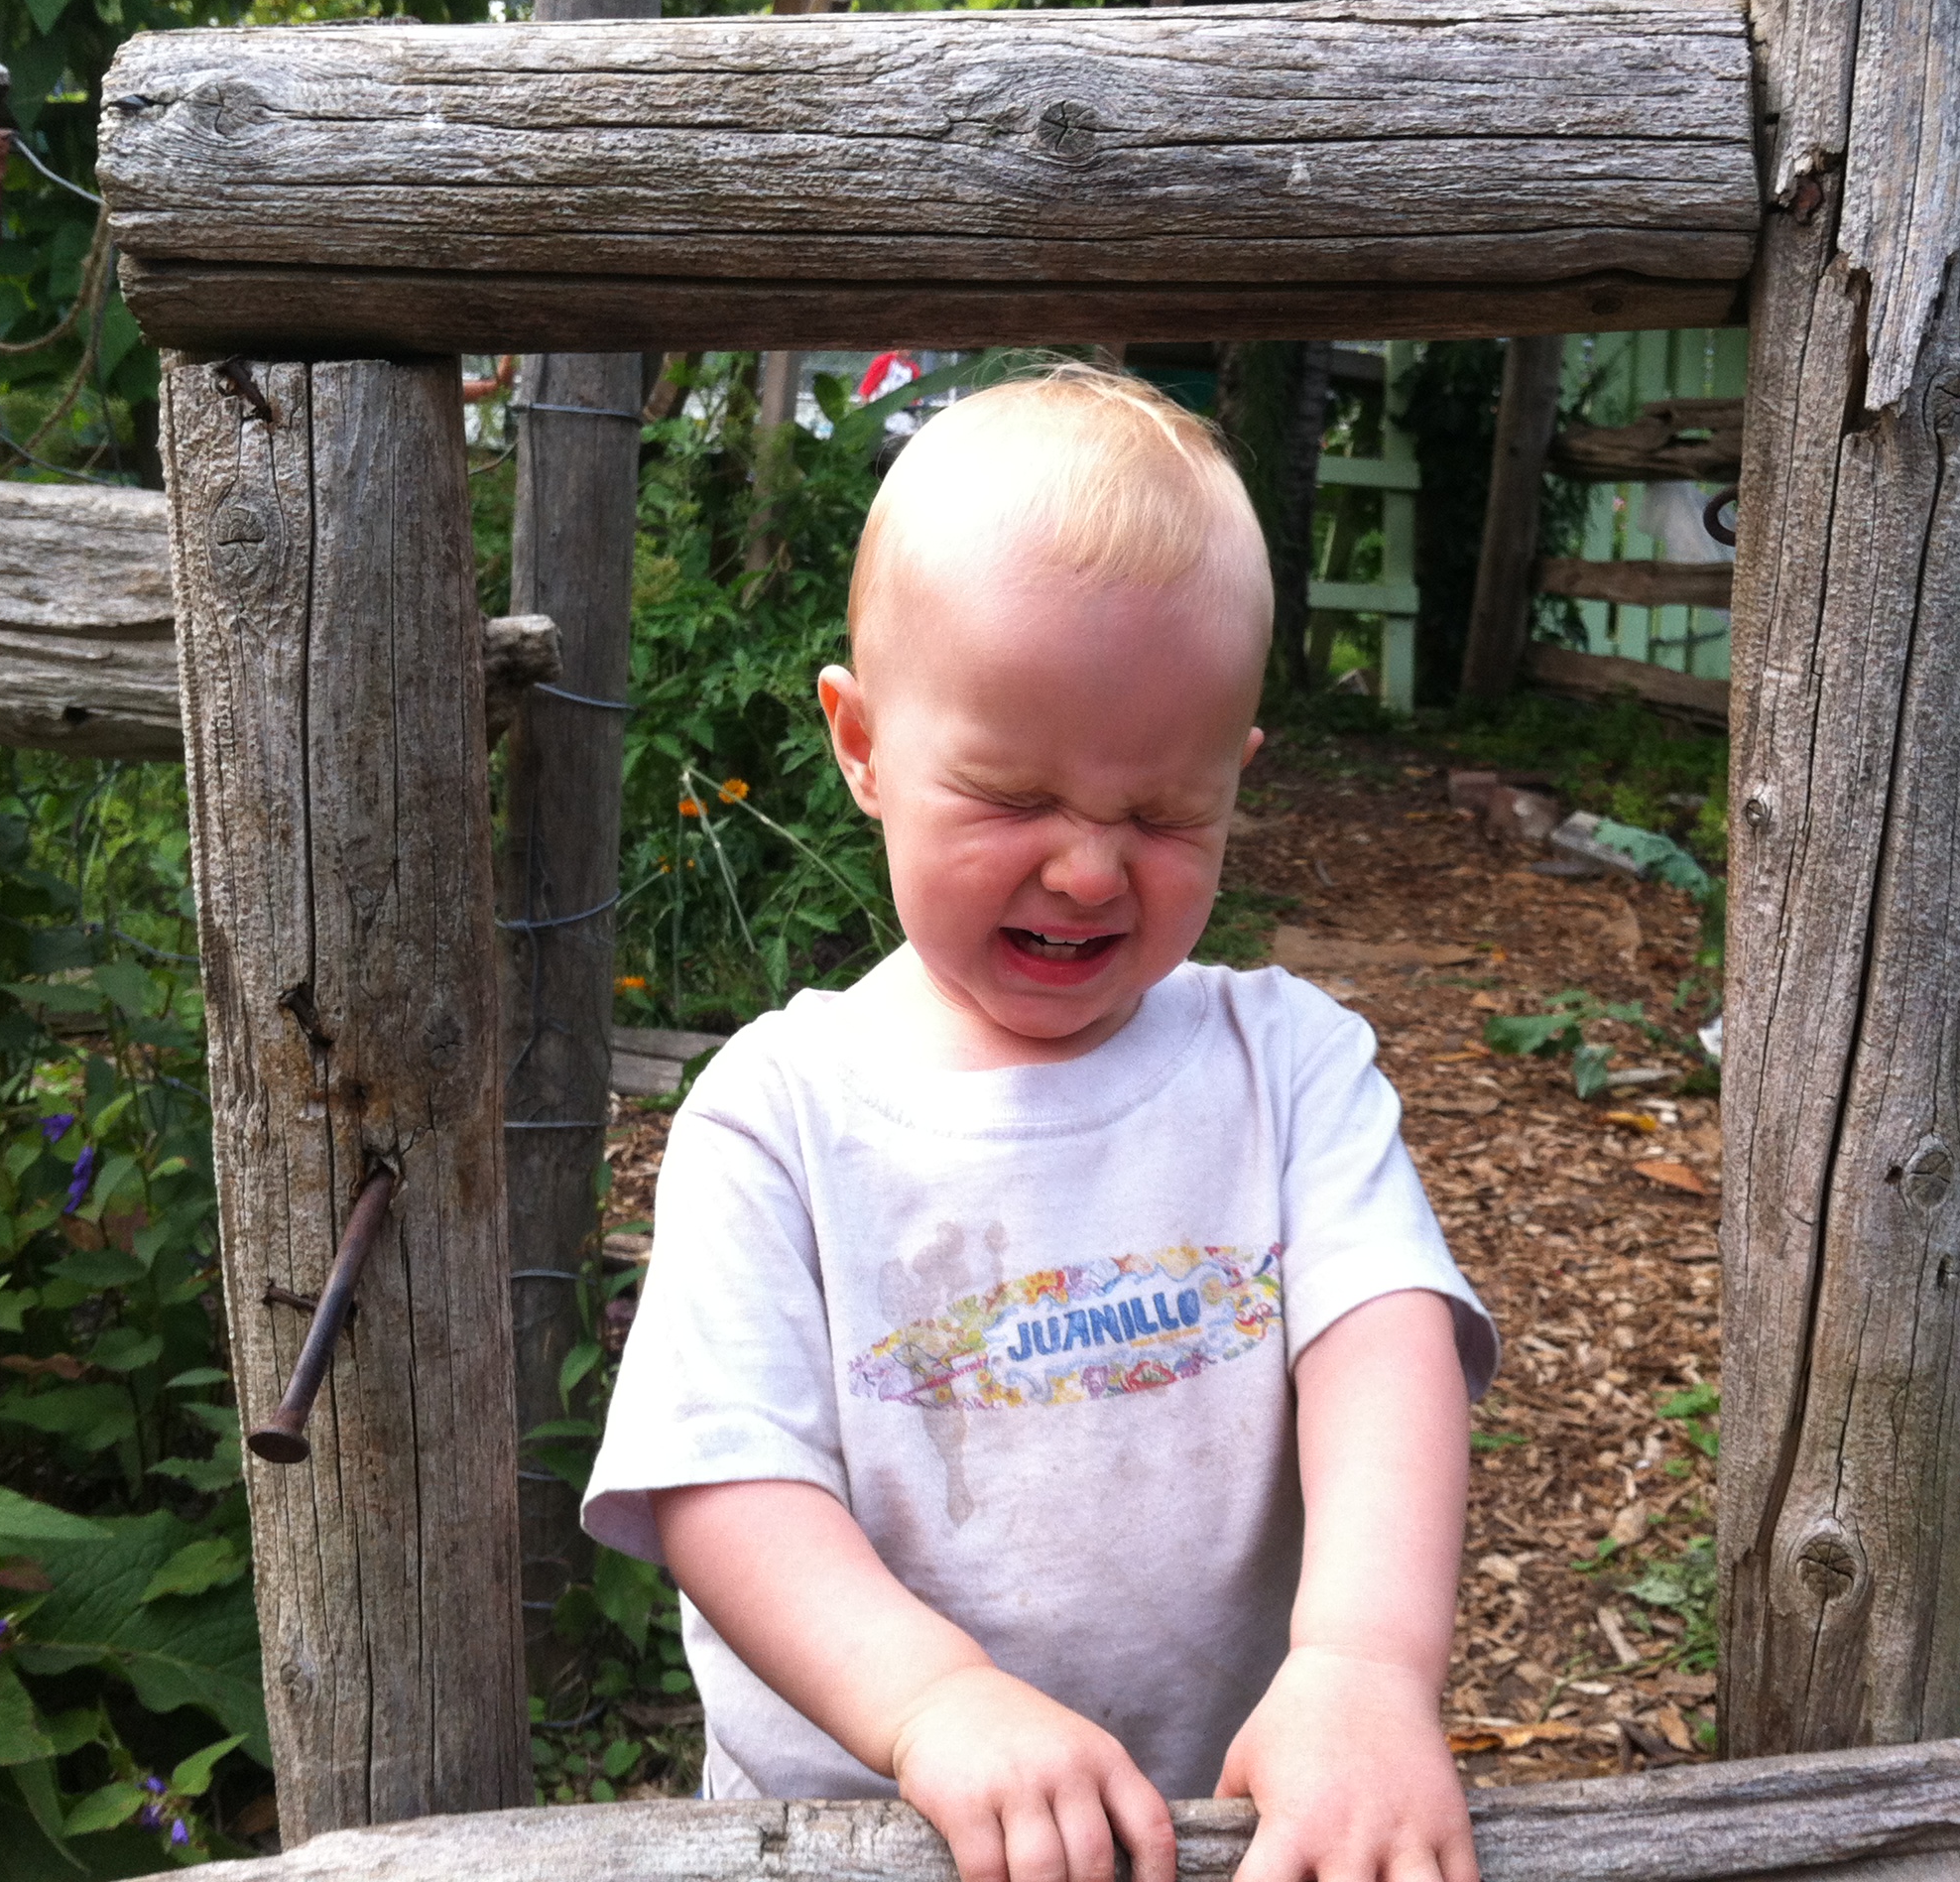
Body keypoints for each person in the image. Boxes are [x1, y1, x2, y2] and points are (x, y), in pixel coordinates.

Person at [583, 363, 1498, 1882]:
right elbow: (720, 1479)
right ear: (863, 744)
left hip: (1212, 1827)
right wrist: (934, 1703)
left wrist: (1361, 1663)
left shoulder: (1288, 1063)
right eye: (1012, 796)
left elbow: (1386, 1341)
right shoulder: (780, 1112)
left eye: (1161, 815)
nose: (1088, 871)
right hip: (858, 1834)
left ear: (1235, 780)